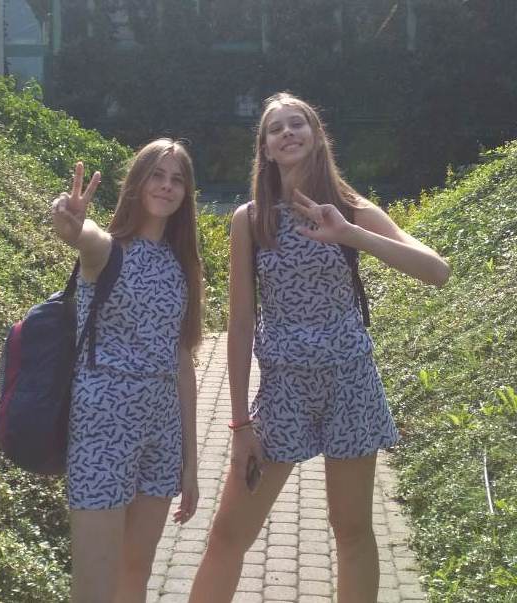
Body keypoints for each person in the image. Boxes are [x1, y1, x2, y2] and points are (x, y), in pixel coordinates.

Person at [189, 93, 450, 603]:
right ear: (265, 149)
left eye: (298, 123)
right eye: (276, 128)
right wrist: (240, 425)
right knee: (229, 533)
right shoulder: (251, 219)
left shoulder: (351, 209)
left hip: (351, 384)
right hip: (283, 391)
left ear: (316, 136)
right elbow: (239, 325)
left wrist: (350, 233)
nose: (287, 132)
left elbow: (436, 271)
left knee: (351, 531)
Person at [51, 138, 203, 603]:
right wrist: (74, 226)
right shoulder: (108, 250)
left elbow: (182, 364)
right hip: (103, 429)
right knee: (95, 586)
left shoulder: (180, 265)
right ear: (137, 182)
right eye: (157, 175)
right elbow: (86, 237)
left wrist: (191, 464)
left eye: (177, 180)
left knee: (136, 573)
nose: (166, 186)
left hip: (161, 433)